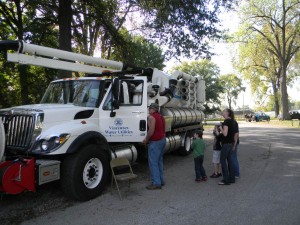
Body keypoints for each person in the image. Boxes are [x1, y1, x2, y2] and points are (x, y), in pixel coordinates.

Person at [143, 103, 166, 190]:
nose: (149, 110)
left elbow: (151, 131)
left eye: (149, 108)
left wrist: (146, 139)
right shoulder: (161, 116)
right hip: (162, 140)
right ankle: (161, 180)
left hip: (155, 142)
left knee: (153, 163)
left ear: (152, 109)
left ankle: (156, 183)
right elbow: (164, 129)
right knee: (159, 161)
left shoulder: (151, 117)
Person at [219, 109, 235, 185]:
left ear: (227, 113)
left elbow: (225, 134)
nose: (222, 112)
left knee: (223, 161)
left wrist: (220, 128)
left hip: (226, 144)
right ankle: (232, 178)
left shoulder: (226, 122)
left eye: (224, 111)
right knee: (230, 161)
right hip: (231, 143)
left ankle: (226, 180)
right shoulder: (233, 121)